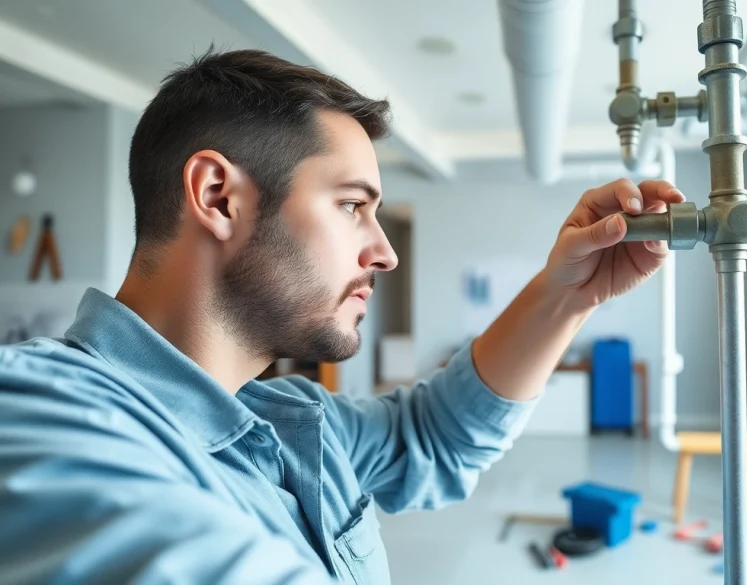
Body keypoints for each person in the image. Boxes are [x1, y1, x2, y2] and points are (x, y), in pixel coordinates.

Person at [0, 49, 684, 585]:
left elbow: (436, 434)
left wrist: (570, 291)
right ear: (218, 196)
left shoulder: (296, 421)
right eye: (353, 205)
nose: (383, 251)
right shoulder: (36, 413)